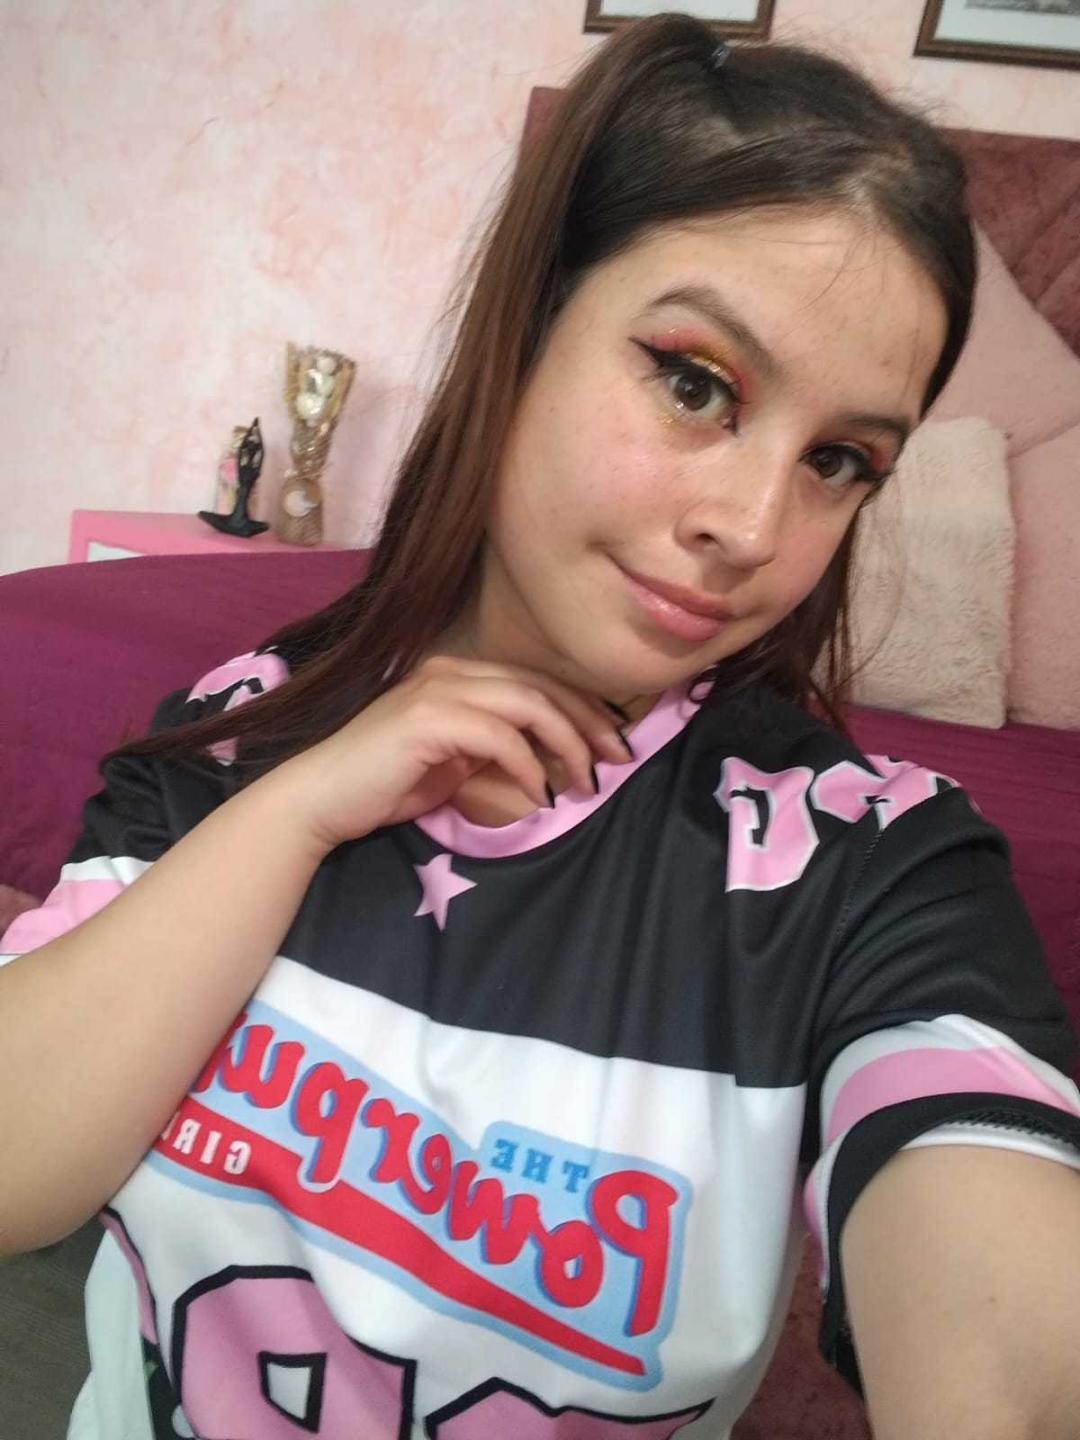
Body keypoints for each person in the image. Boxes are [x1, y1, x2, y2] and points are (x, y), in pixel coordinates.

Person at [2, 14, 1079, 1439]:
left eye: (838, 460)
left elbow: (1003, 1300)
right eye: (695, 383)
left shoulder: (870, 866)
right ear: (524, 333)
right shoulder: (240, 724)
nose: (754, 528)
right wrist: (298, 808)